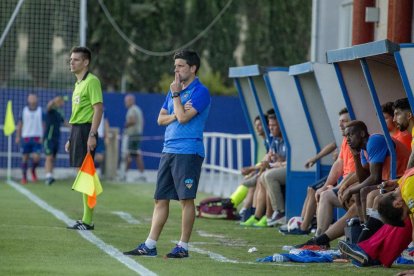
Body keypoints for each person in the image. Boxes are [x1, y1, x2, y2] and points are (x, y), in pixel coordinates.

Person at [124, 50, 211, 258]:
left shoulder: (201, 91)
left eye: (180, 66)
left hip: (189, 151)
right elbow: (161, 119)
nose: (176, 70)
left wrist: (176, 97)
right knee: (160, 199)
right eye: (175, 66)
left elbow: (182, 119)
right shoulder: (173, 90)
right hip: (168, 149)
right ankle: (150, 245)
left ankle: (183, 247)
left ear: (193, 68)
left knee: (186, 200)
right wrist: (176, 107)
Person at [65, 46, 103, 230]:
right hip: (77, 131)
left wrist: (92, 134)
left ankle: (88, 220)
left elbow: (98, 109)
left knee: (86, 175)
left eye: (76, 59)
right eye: (71, 59)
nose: (71, 62)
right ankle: (86, 219)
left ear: (86, 62)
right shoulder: (78, 84)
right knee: (83, 175)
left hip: (86, 131)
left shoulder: (92, 81)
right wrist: (71, 137)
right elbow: (77, 112)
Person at [15, 93, 43, 184]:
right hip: (26, 137)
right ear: (28, 99)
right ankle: (24, 177)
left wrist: (43, 136)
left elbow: (44, 125)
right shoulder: (24, 110)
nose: (32, 99)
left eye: (34, 97)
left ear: (37, 99)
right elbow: (20, 124)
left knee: (36, 158)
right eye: (30, 98)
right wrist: (18, 136)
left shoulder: (40, 110)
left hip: (37, 137)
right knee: (25, 157)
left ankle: (33, 170)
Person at [44, 95, 65, 185]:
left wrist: (75, 128)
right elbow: (48, 107)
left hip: (57, 138)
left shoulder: (60, 112)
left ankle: (51, 175)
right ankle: (48, 176)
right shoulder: (51, 109)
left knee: (53, 158)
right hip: (49, 137)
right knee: (49, 156)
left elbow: (64, 122)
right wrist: (53, 101)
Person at [123, 94, 145, 181]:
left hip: (132, 135)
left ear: (131, 101)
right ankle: (141, 174)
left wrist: (126, 125)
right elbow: (142, 122)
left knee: (129, 154)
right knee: (136, 154)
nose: (125, 103)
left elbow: (132, 121)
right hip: (138, 134)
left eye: (127, 101)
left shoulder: (131, 110)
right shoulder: (138, 109)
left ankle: (125, 175)